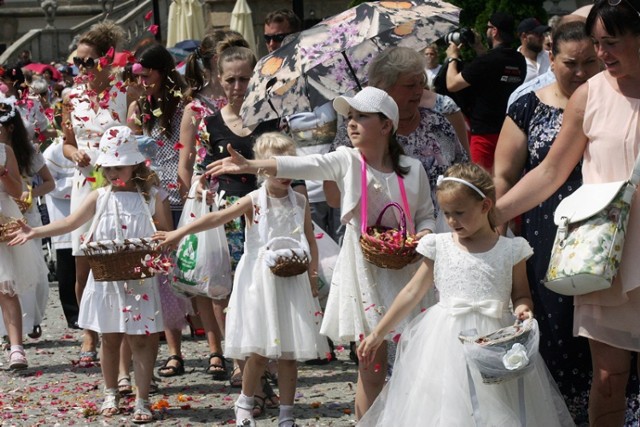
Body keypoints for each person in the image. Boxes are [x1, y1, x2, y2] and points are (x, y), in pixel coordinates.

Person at [207, 86, 436, 418]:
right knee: (370, 367)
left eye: (361, 117)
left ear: (386, 126)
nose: (352, 123)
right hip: (365, 272)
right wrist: (253, 164)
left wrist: (424, 234)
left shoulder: (412, 169)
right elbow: (306, 165)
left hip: (406, 270)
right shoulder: (346, 160)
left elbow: (426, 213)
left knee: (414, 361)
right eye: (350, 117)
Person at [494, 1, 640, 424]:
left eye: (610, 43)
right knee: (609, 379)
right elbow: (551, 171)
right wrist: (492, 215)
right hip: (608, 255)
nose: (602, 55)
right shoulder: (589, 95)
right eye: (597, 44)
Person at [356, 163, 574, 426]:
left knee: (497, 409)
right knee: (448, 409)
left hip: (494, 342)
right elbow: (412, 292)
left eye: (459, 212)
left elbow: (521, 294)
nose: (451, 221)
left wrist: (522, 309)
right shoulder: (440, 246)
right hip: (446, 342)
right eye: (446, 213)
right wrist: (378, 332)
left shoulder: (511, 250)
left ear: (485, 206)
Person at [155, 132, 326, 427]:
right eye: (275, 167)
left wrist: (312, 276)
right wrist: (178, 233)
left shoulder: (299, 200)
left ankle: (286, 413)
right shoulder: (254, 200)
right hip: (260, 283)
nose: (283, 173)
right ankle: (245, 402)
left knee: (289, 354)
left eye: (288, 165)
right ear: (260, 169)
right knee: (260, 350)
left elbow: (310, 239)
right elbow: (216, 219)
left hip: (292, 281)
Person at [9, 126, 169, 424]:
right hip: (107, 278)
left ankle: (142, 398)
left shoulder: (152, 197)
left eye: (118, 167)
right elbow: (70, 222)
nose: (112, 174)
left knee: (143, 341)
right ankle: (111, 392)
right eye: (107, 168)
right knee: (110, 339)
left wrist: (157, 243)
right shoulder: (100, 197)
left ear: (135, 164)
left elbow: (168, 233)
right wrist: (35, 231)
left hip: (139, 279)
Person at [493, 21, 601, 423]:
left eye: (590, 62)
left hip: (602, 234)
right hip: (545, 233)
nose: (581, 72)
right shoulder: (526, 105)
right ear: (550, 59)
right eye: (571, 63)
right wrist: (497, 236)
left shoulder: (613, 100)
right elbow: (504, 174)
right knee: (552, 327)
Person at [194, 41, 283, 412]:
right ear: (218, 80)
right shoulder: (209, 123)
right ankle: (241, 363)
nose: (237, 86)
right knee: (227, 294)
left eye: (244, 78)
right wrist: (201, 183)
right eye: (230, 79)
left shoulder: (270, 118)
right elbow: (201, 168)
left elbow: (284, 165)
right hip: (228, 214)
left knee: (261, 294)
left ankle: (260, 368)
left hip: (264, 212)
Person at [178, 31, 246, 381]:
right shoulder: (196, 108)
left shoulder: (253, 100)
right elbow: (185, 162)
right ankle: (218, 348)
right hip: (211, 199)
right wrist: (198, 195)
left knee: (240, 280)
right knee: (213, 279)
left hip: (245, 196)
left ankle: (245, 351)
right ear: (214, 67)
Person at [331, 47, 467, 221]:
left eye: (421, 82)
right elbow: (333, 197)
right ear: (383, 89)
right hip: (383, 238)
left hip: (443, 229)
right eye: (410, 85)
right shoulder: (354, 130)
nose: (419, 91)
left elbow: (464, 173)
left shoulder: (438, 123)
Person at [62, 20, 128, 364]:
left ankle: (119, 326)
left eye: (88, 61)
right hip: (84, 181)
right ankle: (88, 331)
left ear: (105, 60)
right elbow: (66, 144)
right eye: (77, 62)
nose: (82, 69)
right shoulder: (70, 98)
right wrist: (76, 154)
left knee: (114, 257)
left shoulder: (123, 93)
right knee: (83, 263)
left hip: (115, 183)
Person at [128, 42, 192, 383]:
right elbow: (131, 142)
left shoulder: (182, 104)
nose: (142, 79)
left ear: (162, 71)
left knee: (183, 270)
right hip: (149, 191)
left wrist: (183, 184)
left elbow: (186, 150)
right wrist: (133, 99)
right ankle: (174, 351)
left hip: (176, 190)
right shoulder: (140, 104)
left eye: (146, 73)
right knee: (160, 273)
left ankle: (210, 344)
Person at [0, 97, 53, 340]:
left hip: (24, 214)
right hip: (9, 211)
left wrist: (30, 193)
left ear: (9, 127)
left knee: (30, 273)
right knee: (6, 275)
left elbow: (48, 182)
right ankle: (9, 331)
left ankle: (30, 322)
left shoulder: (24, 152)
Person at [446, 12, 527, 171]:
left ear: (495, 31)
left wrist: (453, 57)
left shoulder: (488, 62)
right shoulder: (519, 60)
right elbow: (494, 68)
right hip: (509, 131)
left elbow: (452, 84)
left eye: (488, 27)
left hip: (484, 135)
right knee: (506, 181)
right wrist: (478, 47)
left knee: (481, 184)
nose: (486, 31)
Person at [42, 137, 79, 329]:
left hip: (87, 210)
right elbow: (51, 184)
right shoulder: (52, 152)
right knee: (67, 266)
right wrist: (78, 183)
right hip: (62, 210)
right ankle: (72, 312)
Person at [516, 18, 552, 83]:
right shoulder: (514, 63)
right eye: (538, 34)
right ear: (524, 36)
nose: (542, 37)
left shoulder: (551, 57)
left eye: (542, 34)